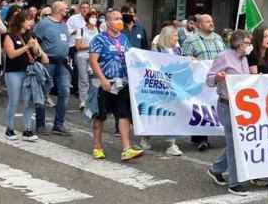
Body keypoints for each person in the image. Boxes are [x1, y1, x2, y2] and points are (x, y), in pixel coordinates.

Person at [89, 10, 144, 162]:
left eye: (120, 18)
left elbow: (131, 57)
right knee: (100, 116)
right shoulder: (99, 39)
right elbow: (93, 61)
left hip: (122, 83)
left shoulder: (124, 38)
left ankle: (126, 149)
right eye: (116, 19)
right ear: (108, 22)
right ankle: (97, 147)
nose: (120, 21)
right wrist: (103, 80)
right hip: (104, 84)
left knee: (123, 114)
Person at [206, 30, 252, 196]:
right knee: (234, 144)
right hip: (226, 105)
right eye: (247, 43)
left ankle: (216, 169)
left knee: (237, 142)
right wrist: (218, 77)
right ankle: (235, 183)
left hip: (241, 106)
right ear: (240, 44)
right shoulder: (224, 57)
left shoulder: (244, 59)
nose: (249, 46)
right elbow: (209, 79)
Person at [182, 14, 225, 151]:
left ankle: (207, 133)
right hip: (200, 82)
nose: (211, 23)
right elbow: (185, 60)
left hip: (216, 79)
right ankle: (201, 138)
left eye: (212, 21)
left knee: (213, 105)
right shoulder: (191, 41)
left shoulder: (218, 39)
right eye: (208, 21)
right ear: (199, 25)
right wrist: (192, 61)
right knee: (201, 106)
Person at [3, 11, 48, 141]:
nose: (31, 22)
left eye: (32, 20)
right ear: (21, 21)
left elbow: (38, 53)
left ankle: (27, 129)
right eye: (28, 20)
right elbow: (11, 54)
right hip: (14, 72)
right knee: (14, 100)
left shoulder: (31, 35)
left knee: (30, 101)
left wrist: (39, 52)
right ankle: (9, 128)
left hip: (29, 72)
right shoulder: (9, 36)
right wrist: (26, 47)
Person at [33, 1, 73, 136]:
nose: (67, 10)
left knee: (65, 92)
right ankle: (40, 124)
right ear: (57, 10)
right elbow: (34, 41)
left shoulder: (63, 24)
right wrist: (42, 54)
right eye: (65, 9)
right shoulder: (44, 24)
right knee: (43, 93)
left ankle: (59, 124)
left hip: (62, 63)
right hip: (48, 62)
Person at [152, 25, 185, 157]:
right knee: (156, 114)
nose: (177, 38)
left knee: (173, 114)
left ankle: (172, 144)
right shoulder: (157, 49)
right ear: (168, 36)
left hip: (174, 86)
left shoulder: (178, 50)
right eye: (175, 35)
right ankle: (146, 137)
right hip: (161, 87)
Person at [73, 10, 101, 110]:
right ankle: (83, 101)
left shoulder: (98, 30)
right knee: (84, 79)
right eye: (92, 17)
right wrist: (91, 46)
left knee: (94, 79)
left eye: (95, 17)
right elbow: (78, 46)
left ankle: (92, 100)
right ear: (87, 19)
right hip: (82, 57)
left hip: (94, 57)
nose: (94, 19)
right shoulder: (81, 30)